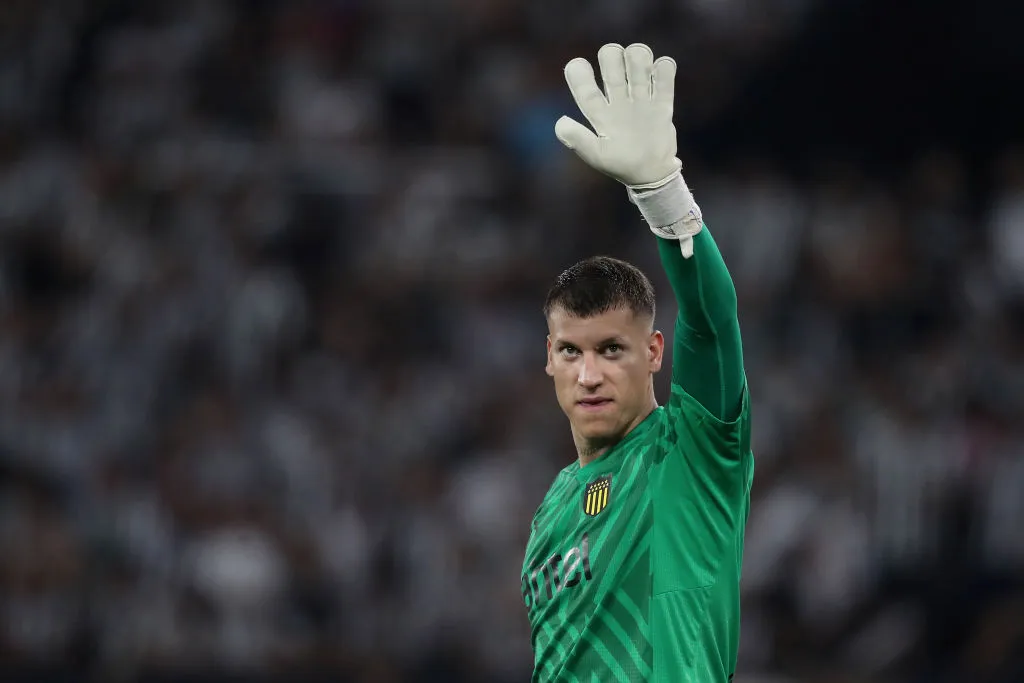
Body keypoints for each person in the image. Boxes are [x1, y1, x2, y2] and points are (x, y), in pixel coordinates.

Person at [521, 43, 753, 682]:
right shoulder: (552, 509)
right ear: (550, 358)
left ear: (654, 353)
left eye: (611, 350)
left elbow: (712, 320)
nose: (588, 374)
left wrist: (662, 195)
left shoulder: (692, 453)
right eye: (571, 351)